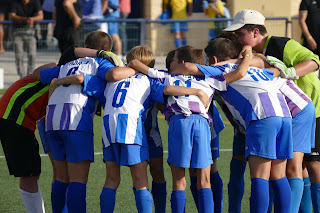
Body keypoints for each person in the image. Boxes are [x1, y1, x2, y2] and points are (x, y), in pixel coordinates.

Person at [129, 44, 260, 213]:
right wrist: (248, 54)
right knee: (204, 180)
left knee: (179, 181)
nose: (170, 64)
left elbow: (136, 63)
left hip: (180, 122)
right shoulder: (209, 79)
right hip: (202, 124)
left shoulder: (166, 76)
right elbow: (239, 73)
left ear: (183, 62)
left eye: (173, 60)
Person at [223, 9, 320, 213]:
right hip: (282, 110)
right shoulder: (251, 53)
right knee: (292, 168)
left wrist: (289, 73)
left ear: (255, 32)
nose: (237, 38)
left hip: (303, 107)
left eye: (240, 34)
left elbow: (314, 60)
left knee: (303, 166)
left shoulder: (281, 44)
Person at [0, 62, 57, 213]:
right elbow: (39, 72)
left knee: (31, 173)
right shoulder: (59, 69)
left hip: (13, 116)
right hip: (14, 117)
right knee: (29, 175)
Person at [9, 0, 44, 79]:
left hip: (30, 31)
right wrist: (25, 19)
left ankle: (30, 75)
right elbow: (11, 15)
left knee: (32, 54)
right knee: (19, 55)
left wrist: (32, 19)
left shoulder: (35, 2)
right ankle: (22, 76)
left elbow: (41, 16)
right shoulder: (15, 2)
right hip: (17, 31)